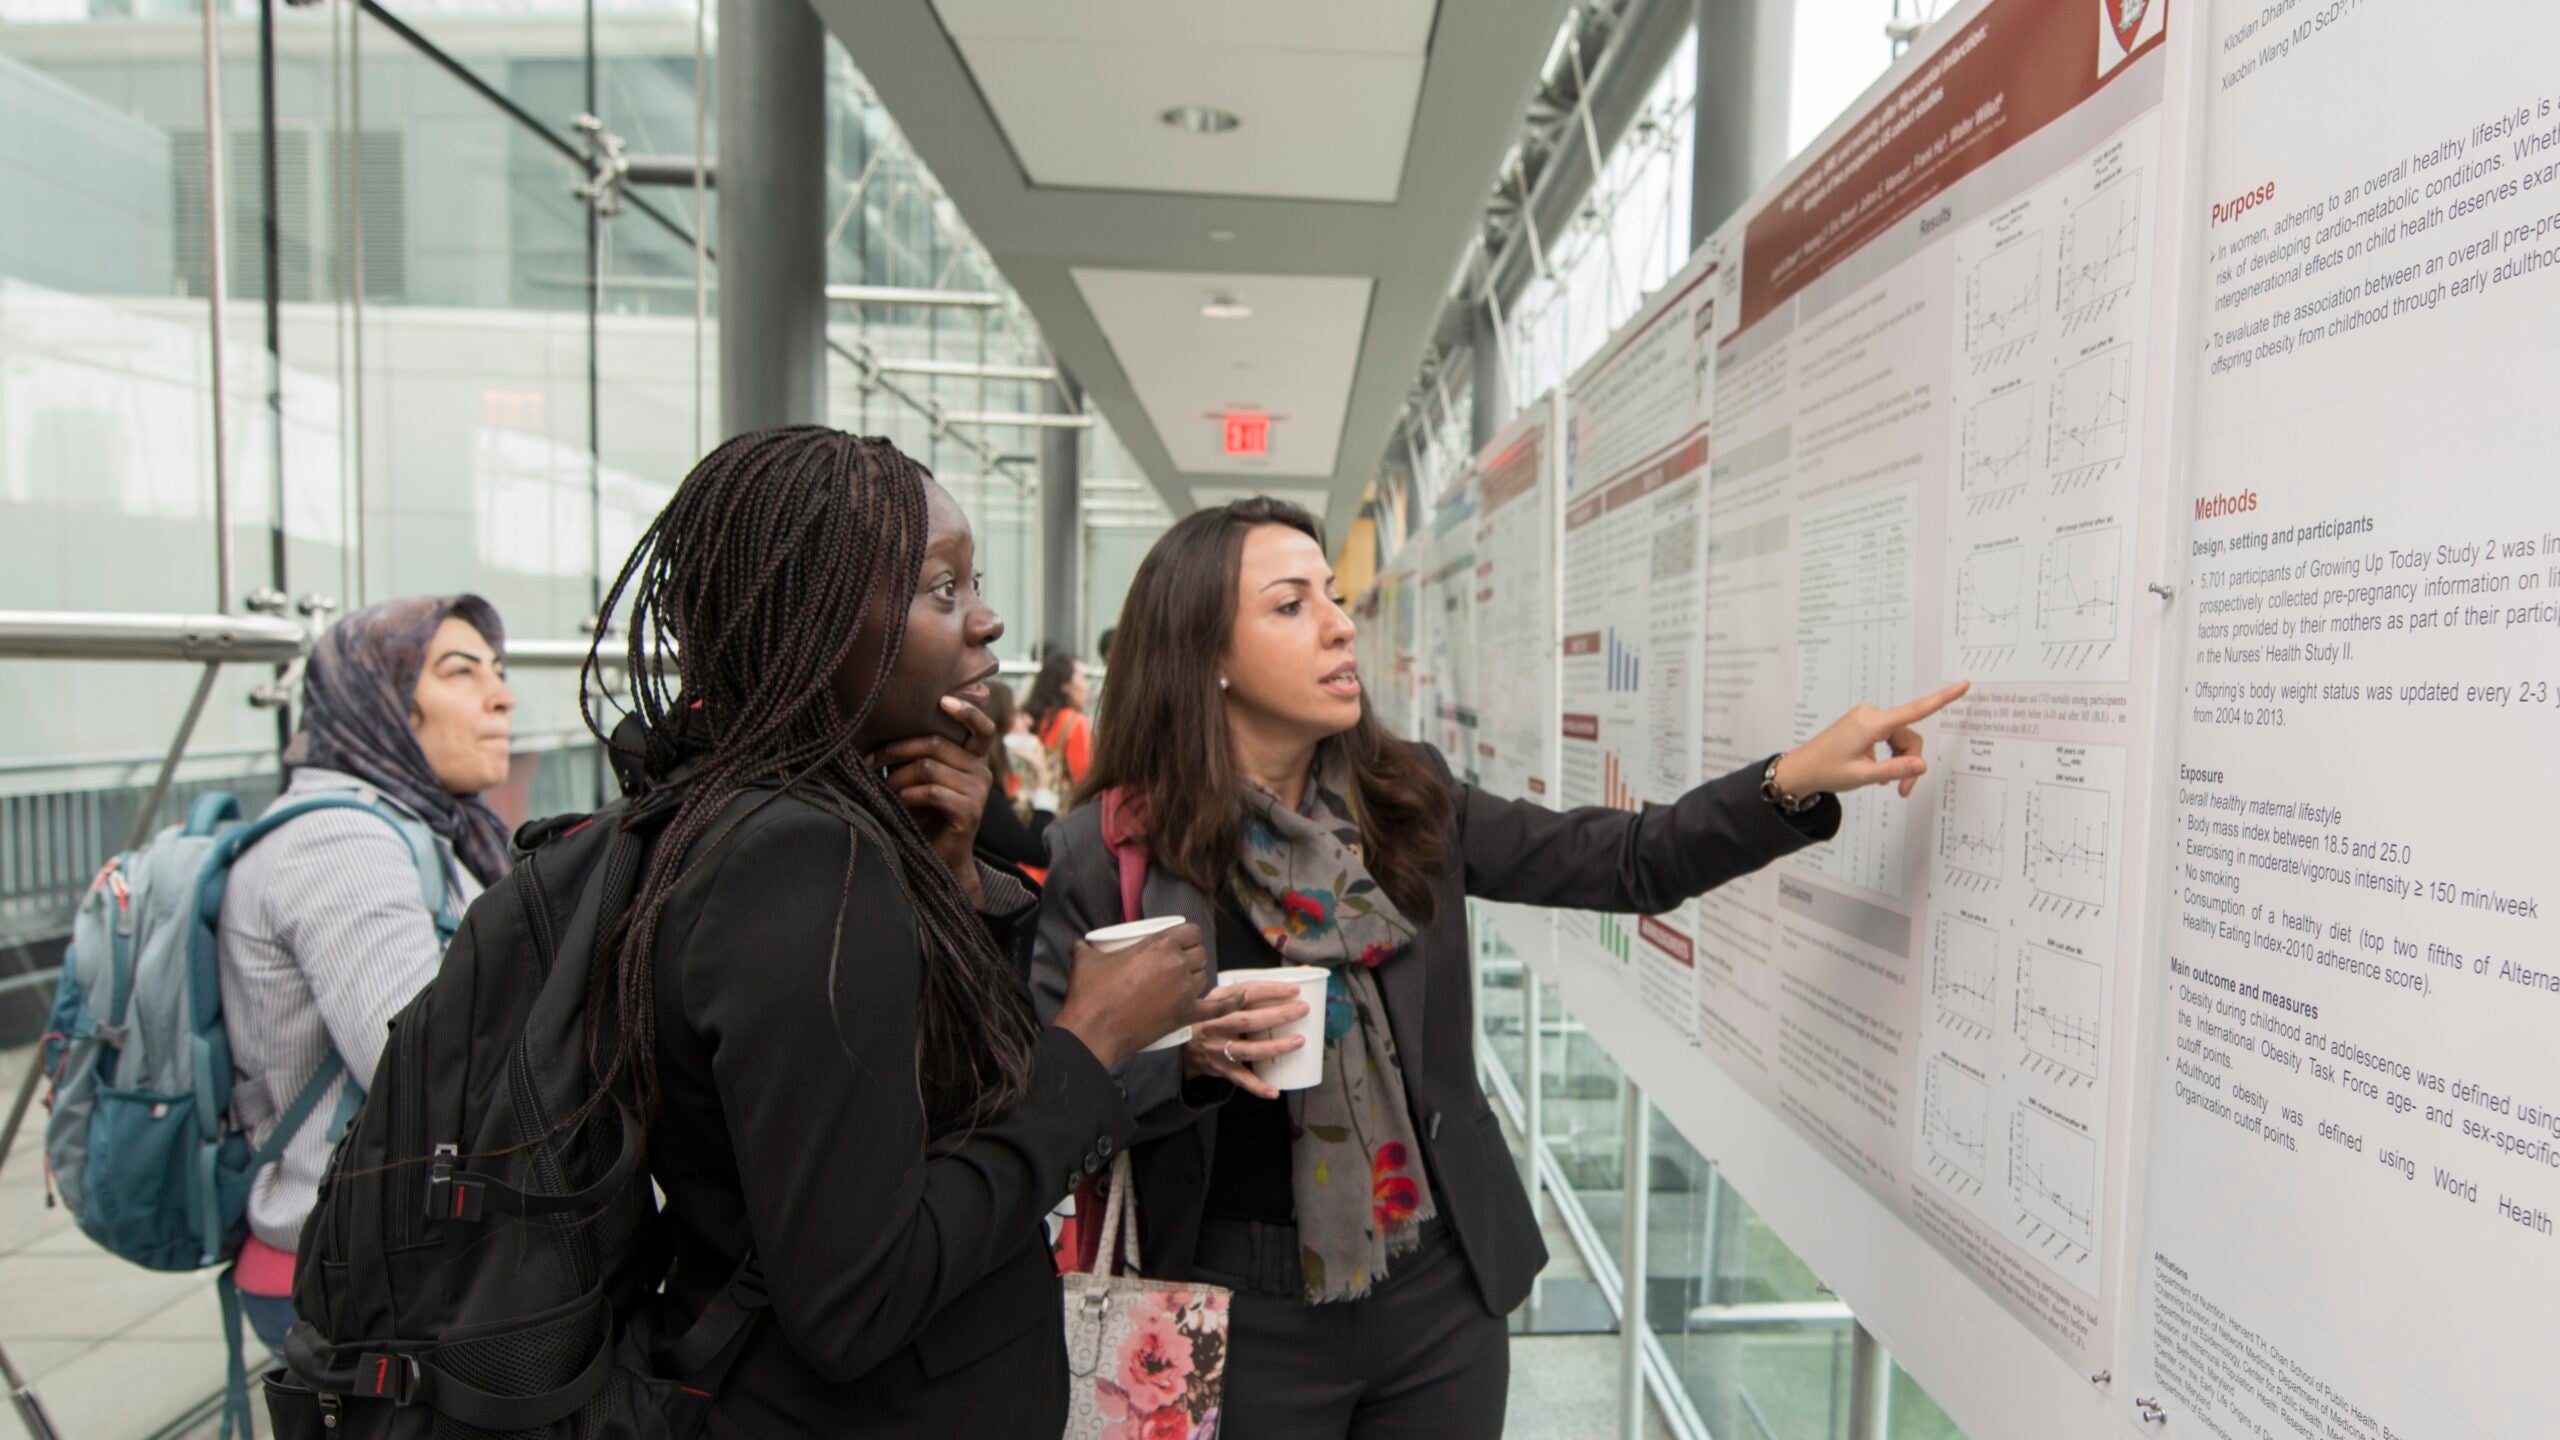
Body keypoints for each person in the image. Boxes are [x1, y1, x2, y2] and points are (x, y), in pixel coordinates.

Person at [1032, 497, 1965, 1439]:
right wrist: (1187, 1062)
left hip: (1434, 1288)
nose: (1340, 622)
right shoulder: (1109, 856)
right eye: (1290, 605)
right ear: (1207, 657)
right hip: (1235, 1309)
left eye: (1334, 594)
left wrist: (1788, 783)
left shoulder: (1407, 801)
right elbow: (1055, 1092)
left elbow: (1624, 858)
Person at [582, 427, 1229, 1436]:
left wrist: (952, 877)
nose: (987, 620)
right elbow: (858, 1297)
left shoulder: (774, 824)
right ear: (814, 624)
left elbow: (912, 1111)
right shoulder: (798, 863)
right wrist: (1090, 1045)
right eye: (942, 591)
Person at [217, 595, 517, 1347]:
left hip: (381, 1259)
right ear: (379, 700)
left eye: (499, 670)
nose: (501, 694)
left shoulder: (422, 824)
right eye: (459, 672)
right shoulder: (342, 843)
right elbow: (428, 1070)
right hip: (355, 1278)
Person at [976, 678, 1054, 871]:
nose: (1028, 720)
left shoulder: (985, 784)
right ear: (1001, 725)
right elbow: (1039, 852)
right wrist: (1043, 781)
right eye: (1017, 713)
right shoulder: (984, 793)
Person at [1025, 650, 1095, 790]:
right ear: (1065, 686)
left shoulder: (1033, 719)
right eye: (1083, 677)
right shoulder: (1076, 722)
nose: (1087, 686)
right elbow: (1082, 777)